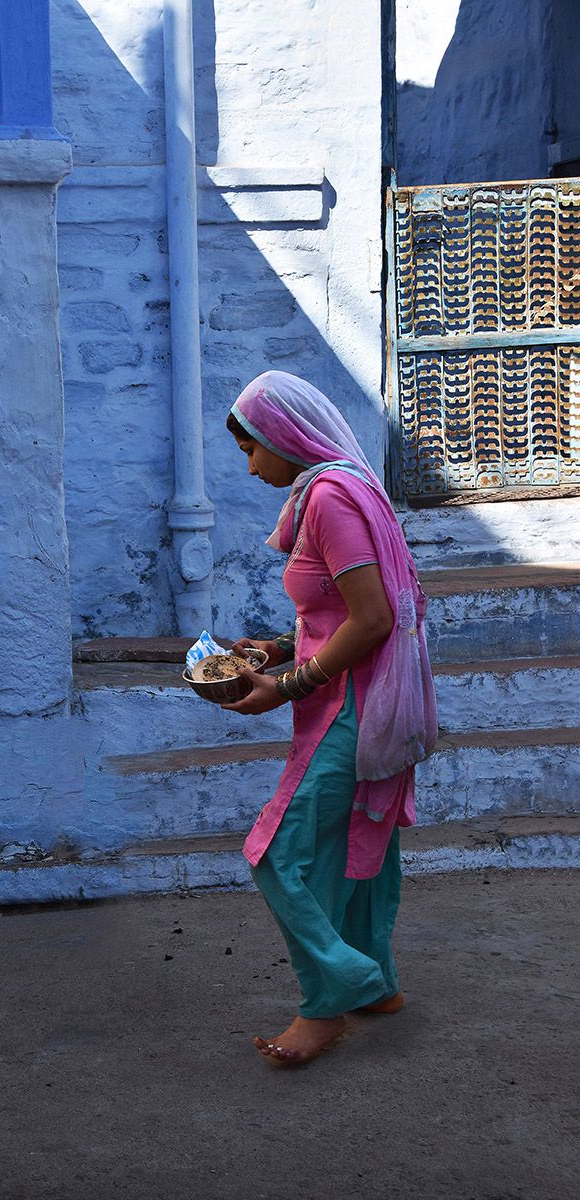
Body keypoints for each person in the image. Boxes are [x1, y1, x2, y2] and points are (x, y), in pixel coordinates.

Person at [221, 371, 437, 1067]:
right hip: (362, 697)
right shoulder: (339, 489)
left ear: (283, 437)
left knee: (278, 853)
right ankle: (378, 985)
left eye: (250, 448)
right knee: (359, 840)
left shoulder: (331, 498)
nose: (250, 465)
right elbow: (342, 611)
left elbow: (372, 619)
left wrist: (285, 683)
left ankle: (329, 1000)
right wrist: (280, 646)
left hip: (353, 706)